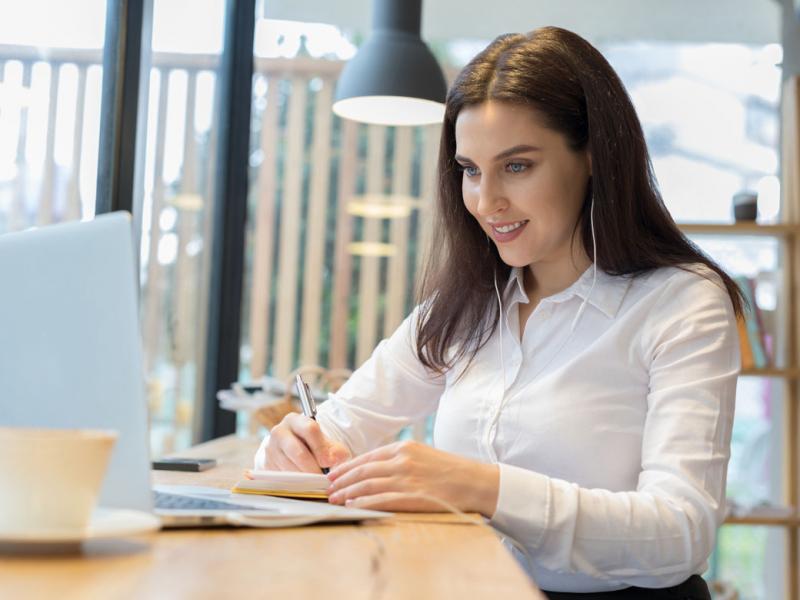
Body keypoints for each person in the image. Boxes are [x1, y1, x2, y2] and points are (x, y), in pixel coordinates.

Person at [255, 26, 745, 599]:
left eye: (517, 166)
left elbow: (680, 535)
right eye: (469, 169)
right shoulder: (466, 305)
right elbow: (333, 433)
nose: (486, 202)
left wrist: (481, 488)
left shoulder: (681, 302)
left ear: (592, 156)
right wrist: (291, 450)